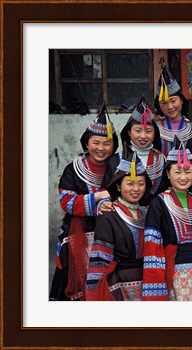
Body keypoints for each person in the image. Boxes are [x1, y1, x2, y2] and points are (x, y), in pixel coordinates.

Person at [49, 104, 118, 300]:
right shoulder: (73, 169)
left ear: (114, 145)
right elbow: (66, 202)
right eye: (96, 142)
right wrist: (97, 198)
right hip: (77, 233)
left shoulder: (118, 167)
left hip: (109, 233)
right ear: (86, 143)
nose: (101, 148)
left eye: (107, 143)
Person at [142, 139, 192, 301]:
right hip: (175, 276)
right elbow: (153, 248)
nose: (183, 177)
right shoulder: (159, 203)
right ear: (167, 174)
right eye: (177, 172)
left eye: (188, 171)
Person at [86, 146, 151, 300]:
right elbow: (100, 261)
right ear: (118, 186)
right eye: (130, 183)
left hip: (148, 282)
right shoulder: (109, 215)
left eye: (141, 184)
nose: (136, 189)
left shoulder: (147, 214)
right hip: (119, 285)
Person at [101, 96, 165, 208]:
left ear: (155, 133)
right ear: (129, 132)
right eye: (138, 130)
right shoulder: (116, 160)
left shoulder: (161, 159)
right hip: (122, 215)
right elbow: (107, 189)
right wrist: (103, 204)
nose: (143, 136)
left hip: (154, 215)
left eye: (149, 131)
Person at [154, 67, 192, 154]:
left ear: (181, 100)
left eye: (173, 101)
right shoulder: (155, 129)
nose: (170, 107)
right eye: (164, 103)